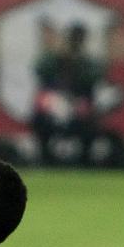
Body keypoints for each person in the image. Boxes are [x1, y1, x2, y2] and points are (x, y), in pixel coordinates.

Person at [31, 22, 105, 165]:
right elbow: (40, 71)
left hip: (78, 102)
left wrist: (78, 61)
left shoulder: (87, 61)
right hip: (54, 101)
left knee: (90, 123)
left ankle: (85, 160)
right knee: (41, 119)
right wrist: (58, 55)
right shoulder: (52, 59)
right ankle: (45, 158)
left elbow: (93, 78)